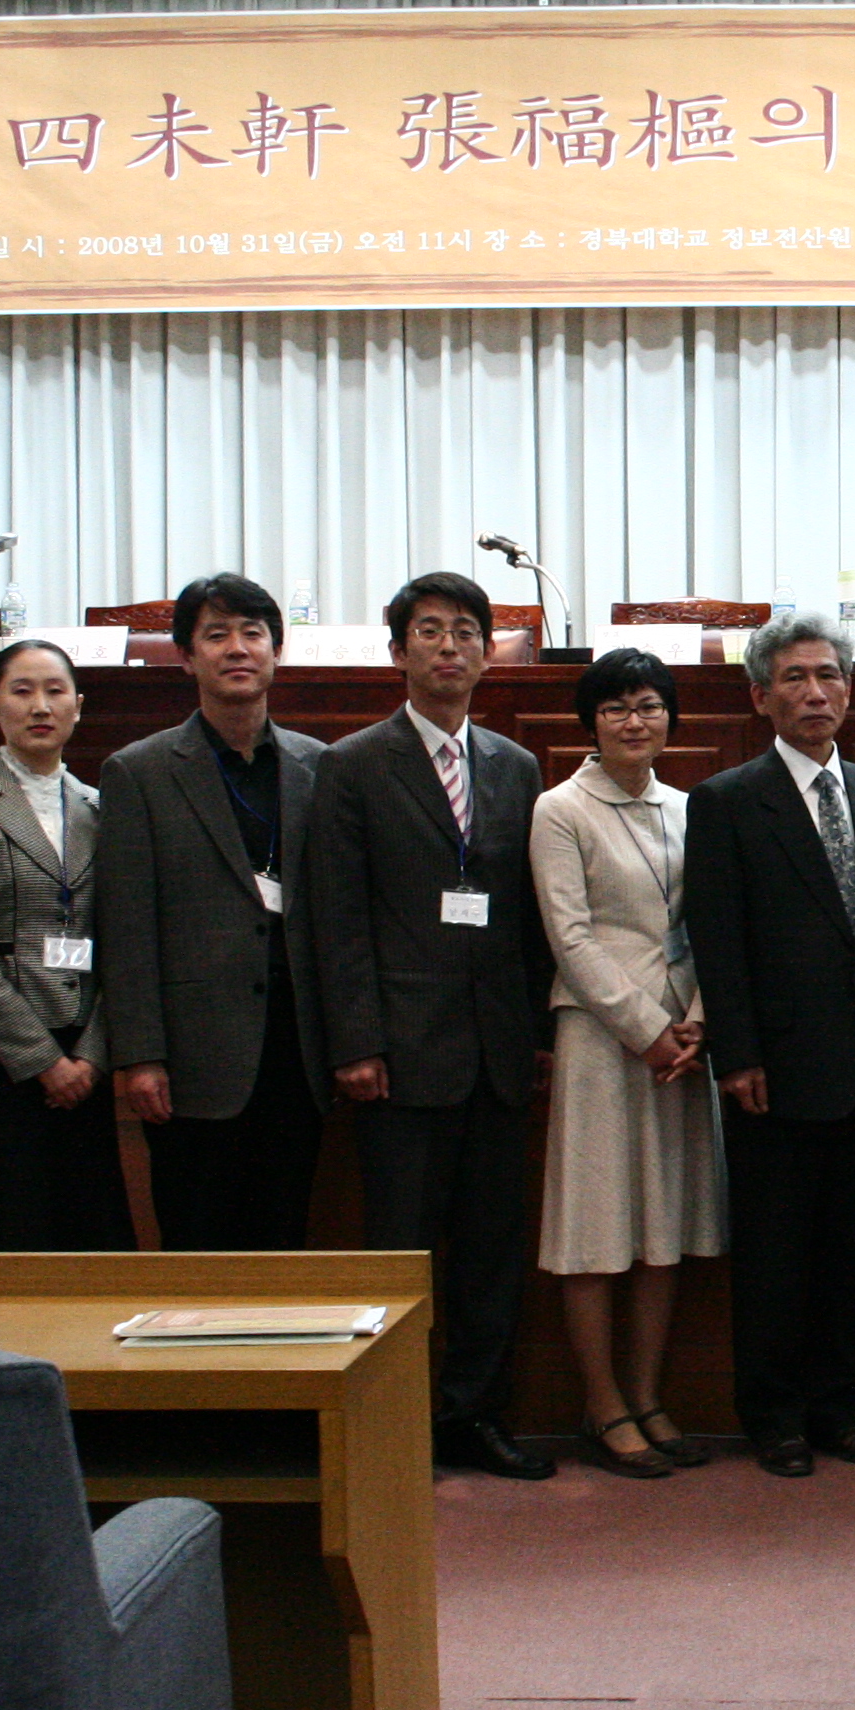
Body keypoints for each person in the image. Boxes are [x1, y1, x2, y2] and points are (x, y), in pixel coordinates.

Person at [308, 573, 556, 1479]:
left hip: (496, 1051)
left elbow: (529, 915)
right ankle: (396, 1425)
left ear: (488, 654)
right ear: (398, 652)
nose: (449, 647)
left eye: (465, 633)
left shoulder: (516, 766)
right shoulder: (352, 764)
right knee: (399, 1254)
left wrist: (536, 1035)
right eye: (429, 632)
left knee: (491, 1253)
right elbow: (338, 917)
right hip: (400, 1055)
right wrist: (357, 1043)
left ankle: (474, 1416)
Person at [684, 608, 855, 1478]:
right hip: (773, 1071)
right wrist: (737, 1054)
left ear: (849, 691)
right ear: (760, 697)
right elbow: (718, 938)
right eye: (795, 678)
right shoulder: (727, 801)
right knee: (775, 1255)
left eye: (830, 676)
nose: (816, 693)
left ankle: (841, 1412)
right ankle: (773, 1417)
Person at [97, 573, 330, 1251]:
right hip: (193, 1059)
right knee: (198, 1249)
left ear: (276, 651)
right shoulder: (138, 772)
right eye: (216, 634)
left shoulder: (320, 766)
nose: (237, 648)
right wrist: (140, 1055)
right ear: (185, 656)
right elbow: (127, 925)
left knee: (284, 1243)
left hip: (297, 1051)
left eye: (252, 633)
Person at [531, 649, 720, 1480]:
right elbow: (569, 937)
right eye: (616, 708)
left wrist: (697, 1020)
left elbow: (711, 922)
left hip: (682, 1041)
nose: (634, 722)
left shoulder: (689, 808)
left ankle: (647, 1396)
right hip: (603, 1039)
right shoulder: (560, 809)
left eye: (649, 706)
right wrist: (646, 1029)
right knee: (596, 1226)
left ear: (670, 719)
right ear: (592, 723)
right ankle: (603, 1405)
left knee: (661, 1227)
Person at [0, 637, 134, 1252]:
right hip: (0, 1055)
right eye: (22, 692)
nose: (40, 706)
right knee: (5, 1232)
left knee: (87, 1231)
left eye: (54, 691)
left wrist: (91, 1055)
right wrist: (44, 1062)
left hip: (84, 1051)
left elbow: (121, 942)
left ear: (78, 707)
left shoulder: (101, 808)